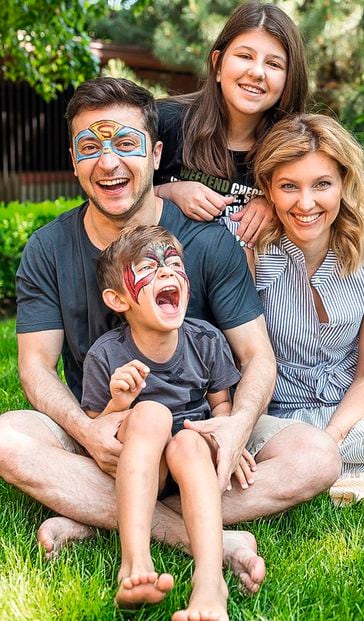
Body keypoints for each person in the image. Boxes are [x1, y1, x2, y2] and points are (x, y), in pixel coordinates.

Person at [0, 79, 341, 586]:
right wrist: (88, 432)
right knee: (6, 438)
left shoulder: (207, 244)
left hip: (201, 432)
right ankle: (194, 534)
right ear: (73, 161)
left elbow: (257, 356)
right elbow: (34, 368)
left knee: (316, 457)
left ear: (157, 154)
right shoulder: (48, 249)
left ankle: (97, 515)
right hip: (106, 426)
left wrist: (235, 426)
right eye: (90, 147)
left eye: (126, 144)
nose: (109, 163)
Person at [234, 112, 364, 505]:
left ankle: (347, 469)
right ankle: (359, 476)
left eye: (322, 185)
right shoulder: (248, 249)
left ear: (344, 184)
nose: (306, 203)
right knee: (289, 450)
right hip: (281, 403)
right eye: (288, 186)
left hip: (361, 396)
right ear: (267, 188)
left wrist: (332, 437)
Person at [83, 224, 253, 617]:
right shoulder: (105, 356)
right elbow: (96, 434)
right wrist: (119, 403)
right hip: (143, 468)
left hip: (192, 463)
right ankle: (135, 563)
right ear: (117, 299)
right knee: (152, 413)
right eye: (148, 267)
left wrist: (231, 439)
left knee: (191, 441)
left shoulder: (207, 340)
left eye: (174, 264)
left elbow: (221, 408)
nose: (166, 272)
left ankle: (210, 584)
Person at [154, 1, 308, 249]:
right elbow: (114, 195)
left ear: (290, 78)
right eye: (245, 56)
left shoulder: (295, 146)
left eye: (274, 64)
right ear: (217, 64)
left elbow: (316, 203)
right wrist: (167, 193)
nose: (258, 72)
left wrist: (277, 204)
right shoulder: (164, 121)